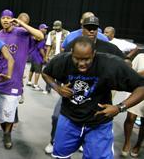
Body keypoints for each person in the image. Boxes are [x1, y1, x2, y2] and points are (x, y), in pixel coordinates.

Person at [42, 36, 144, 159]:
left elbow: (141, 87)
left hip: (99, 122)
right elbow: (46, 73)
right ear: (71, 54)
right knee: (61, 155)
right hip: (69, 118)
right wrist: (57, 88)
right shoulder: (63, 60)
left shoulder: (110, 64)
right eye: (77, 59)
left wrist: (119, 107)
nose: (81, 64)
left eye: (86, 59)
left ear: (94, 54)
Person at [44, 15, 125, 154]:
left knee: (98, 121)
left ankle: (85, 139)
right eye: (88, 28)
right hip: (73, 94)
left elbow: (124, 62)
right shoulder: (72, 43)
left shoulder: (106, 45)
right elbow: (52, 68)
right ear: (82, 28)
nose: (91, 31)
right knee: (57, 116)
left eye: (94, 28)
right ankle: (54, 141)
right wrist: (58, 88)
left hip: (99, 93)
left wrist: (119, 103)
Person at [0, 9, 43, 149]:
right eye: (3, 18)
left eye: (9, 18)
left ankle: (7, 134)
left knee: (8, 112)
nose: (5, 20)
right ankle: (2, 128)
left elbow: (39, 36)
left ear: (13, 19)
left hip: (14, 80)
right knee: (0, 113)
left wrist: (21, 23)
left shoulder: (21, 33)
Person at [121, 53, 144, 157]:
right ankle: (127, 142)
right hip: (137, 90)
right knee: (130, 118)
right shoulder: (140, 57)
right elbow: (131, 74)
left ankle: (138, 144)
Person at [26, 23, 48, 92]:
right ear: (40, 29)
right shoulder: (41, 37)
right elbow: (41, 49)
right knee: (38, 71)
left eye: (46, 29)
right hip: (37, 56)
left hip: (32, 54)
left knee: (32, 68)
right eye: (44, 28)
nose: (46, 30)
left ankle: (29, 81)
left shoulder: (35, 35)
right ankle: (35, 85)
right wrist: (44, 57)